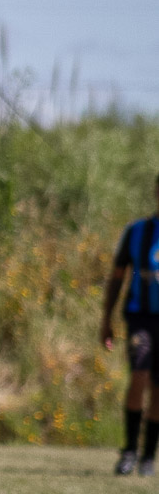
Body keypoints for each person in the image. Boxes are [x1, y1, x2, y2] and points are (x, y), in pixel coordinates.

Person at [101, 172, 159, 475]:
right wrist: (106, 319)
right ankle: (129, 451)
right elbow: (117, 277)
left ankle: (149, 456)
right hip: (140, 318)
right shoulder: (137, 231)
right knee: (139, 375)